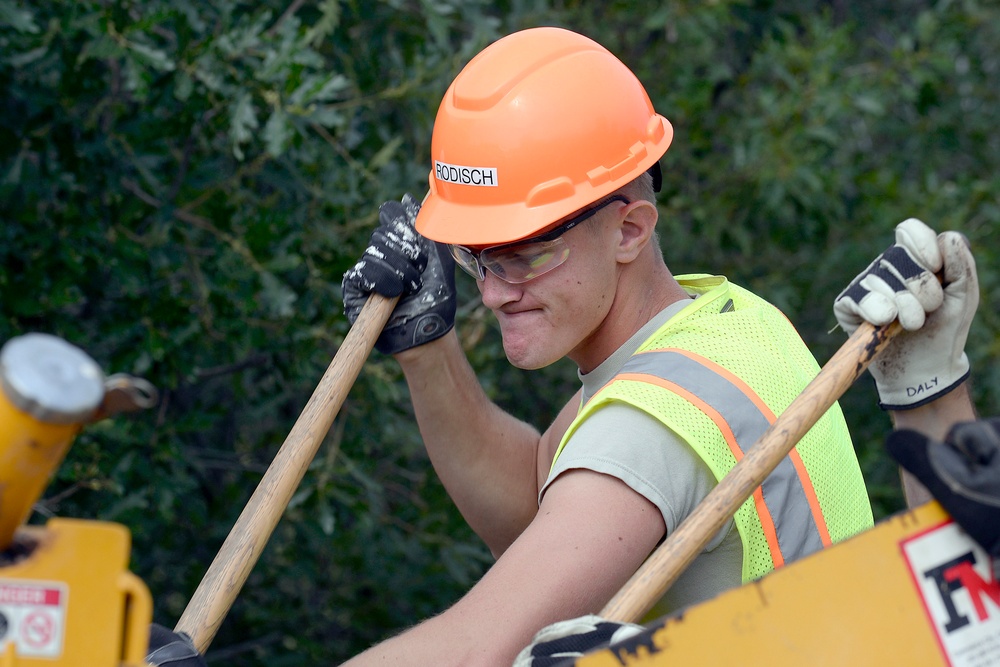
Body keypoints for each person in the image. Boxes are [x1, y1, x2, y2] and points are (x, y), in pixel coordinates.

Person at [340, 26, 873, 666]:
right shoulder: (732, 324)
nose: (494, 293)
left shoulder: (653, 423)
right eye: (476, 258)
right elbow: (538, 512)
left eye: (526, 256)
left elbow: (474, 651)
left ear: (627, 230)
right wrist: (427, 347)